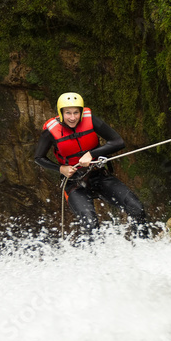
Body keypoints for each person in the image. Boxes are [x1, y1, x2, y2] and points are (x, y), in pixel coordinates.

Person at [34, 91, 149, 236]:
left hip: (99, 175)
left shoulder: (91, 120)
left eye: (76, 112)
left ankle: (142, 243)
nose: (72, 117)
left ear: (81, 112)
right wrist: (61, 169)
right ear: (61, 112)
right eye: (68, 113)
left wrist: (92, 154)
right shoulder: (50, 132)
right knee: (90, 223)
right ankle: (93, 256)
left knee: (136, 207)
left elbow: (118, 142)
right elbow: (39, 158)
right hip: (74, 183)